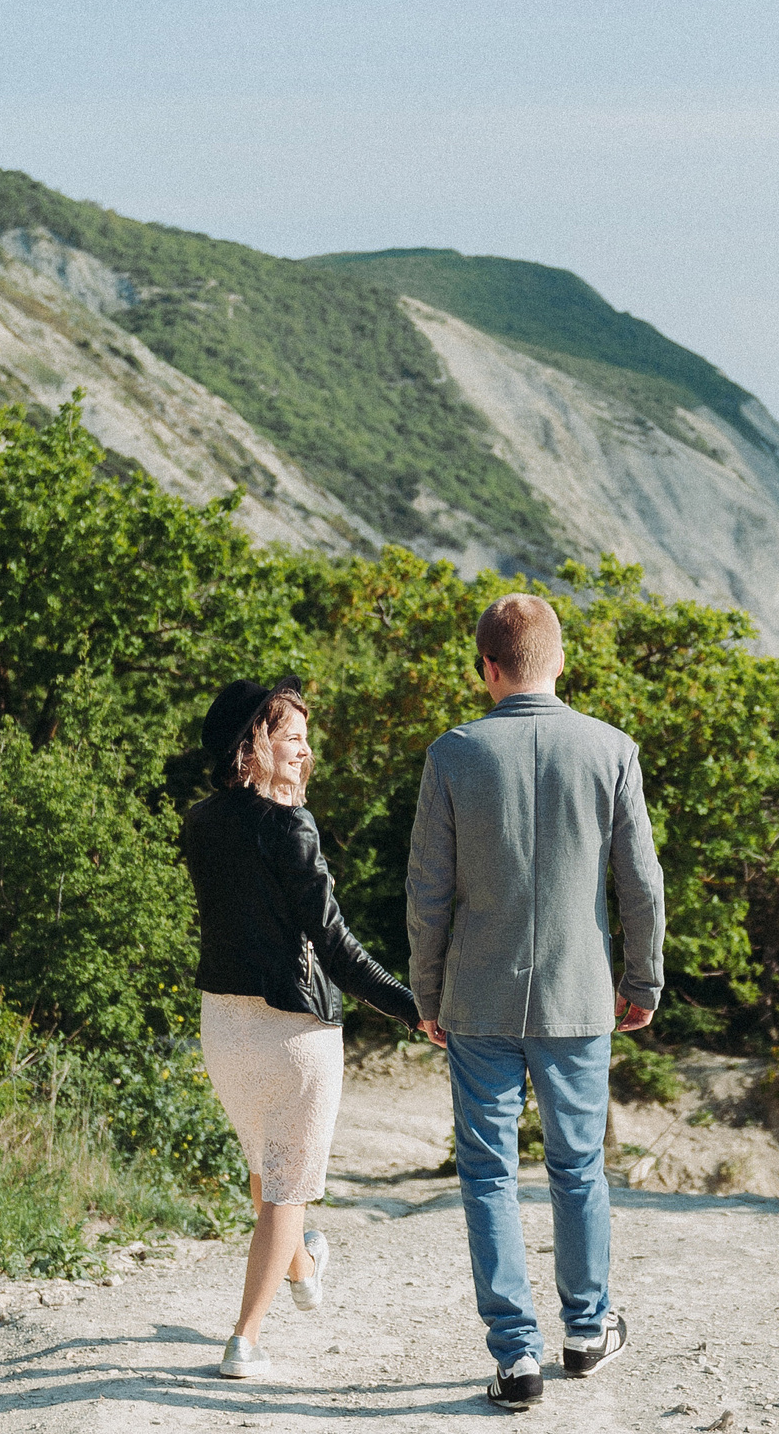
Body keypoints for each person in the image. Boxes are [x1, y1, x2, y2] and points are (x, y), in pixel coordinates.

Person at [405, 593, 666, 1412]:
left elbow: (427, 893)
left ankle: (515, 1355)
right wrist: (643, 979)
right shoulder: (612, 748)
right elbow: (642, 886)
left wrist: (425, 989)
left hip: (476, 997)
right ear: (561, 659)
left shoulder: (453, 754)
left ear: (487, 667)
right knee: (577, 1165)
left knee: (487, 1173)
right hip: (581, 995)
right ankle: (587, 1332)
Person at [182, 676, 421, 1381]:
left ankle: (306, 1265)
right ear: (252, 741)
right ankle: (244, 1341)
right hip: (294, 1031)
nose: (304, 752)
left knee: (269, 1169)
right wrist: (412, 1005)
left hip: (222, 1026)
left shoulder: (198, 820)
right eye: (291, 737)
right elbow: (336, 943)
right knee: (288, 1188)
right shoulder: (290, 827)